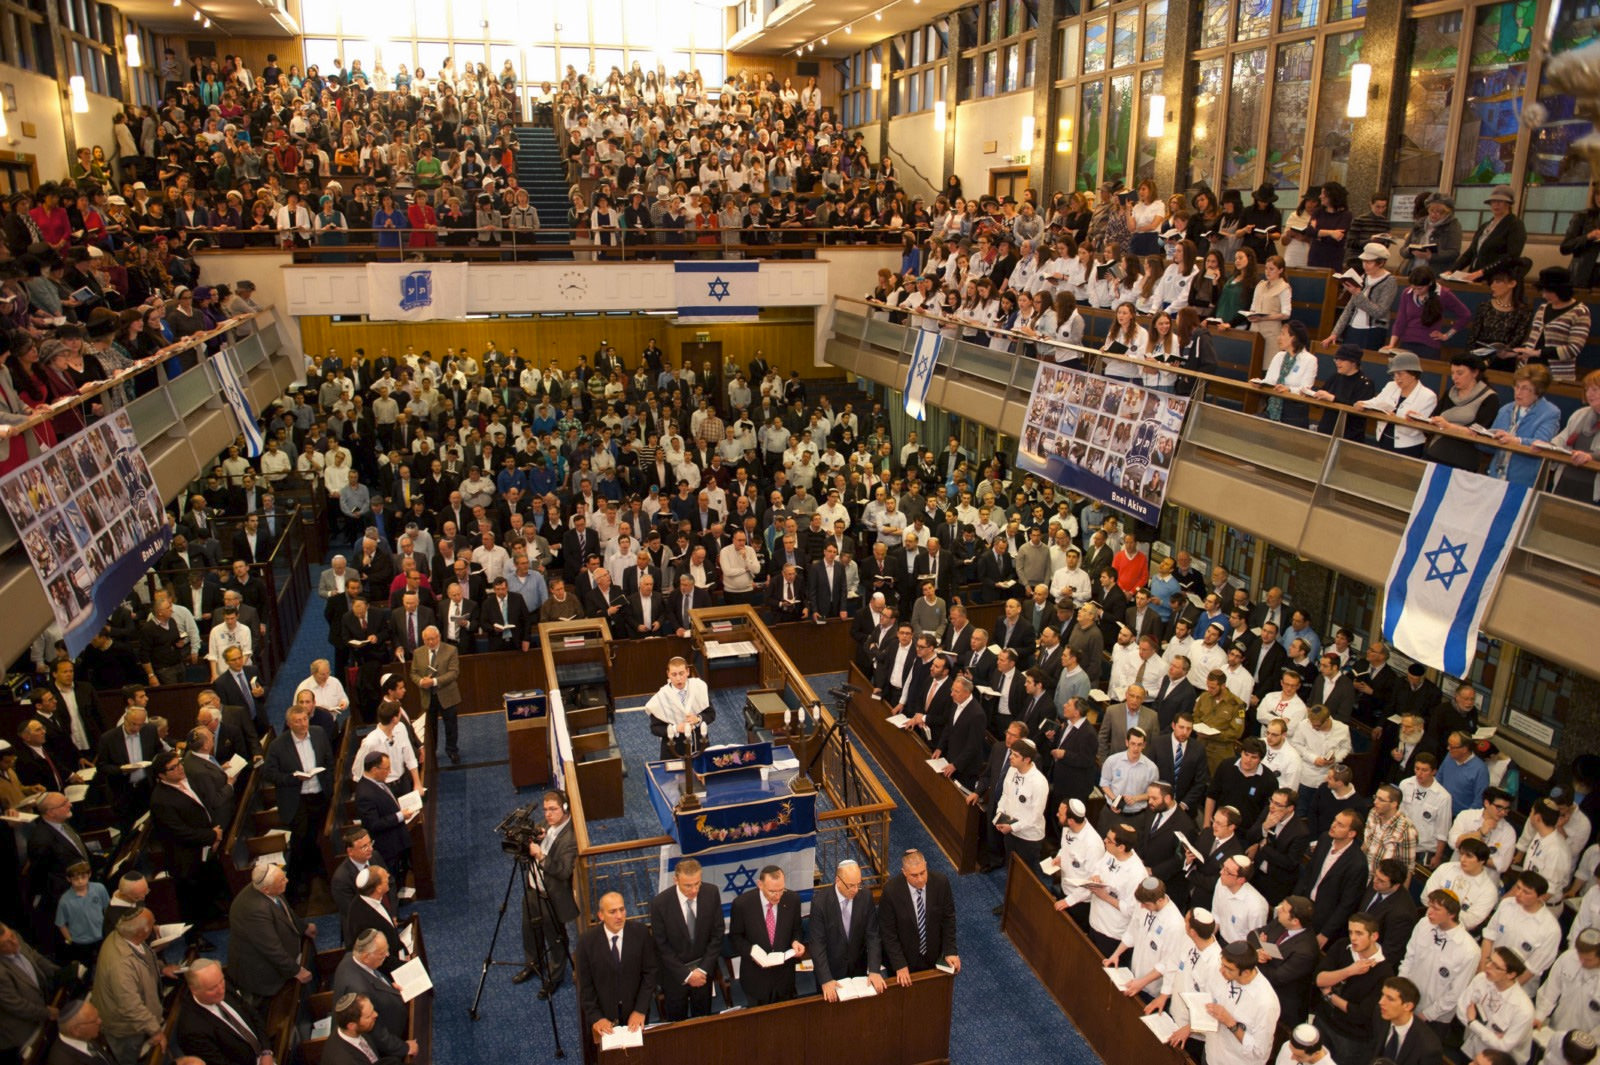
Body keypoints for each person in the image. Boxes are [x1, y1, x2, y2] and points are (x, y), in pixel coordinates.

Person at [262, 701, 333, 902]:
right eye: (297, 721)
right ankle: (300, 880)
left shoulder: (318, 733)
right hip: (297, 798)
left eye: (304, 719)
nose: (302, 724)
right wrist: (293, 778)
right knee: (301, 837)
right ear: (289, 724)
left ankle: (321, 870)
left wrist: (330, 782)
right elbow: (269, 773)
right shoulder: (278, 745)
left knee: (320, 832)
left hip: (319, 793)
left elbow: (328, 759)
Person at [226, 863, 312, 1008]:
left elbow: (285, 911)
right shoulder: (255, 910)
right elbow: (271, 949)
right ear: (266, 889)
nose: (287, 880)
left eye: (283, 876)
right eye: (282, 880)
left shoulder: (271, 888)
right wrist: (296, 970)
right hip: (261, 973)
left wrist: (304, 927)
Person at [647, 857, 723, 1020]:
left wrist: (702, 970)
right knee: (677, 1022)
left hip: (703, 971)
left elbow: (717, 935)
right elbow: (661, 946)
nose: (694, 890)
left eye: (697, 883)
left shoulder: (711, 893)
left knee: (703, 1019)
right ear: (676, 880)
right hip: (675, 976)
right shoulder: (660, 904)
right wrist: (687, 975)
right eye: (688, 885)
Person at [516, 790, 577, 990]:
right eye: (545, 810)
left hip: (552, 897)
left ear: (565, 809)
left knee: (555, 939)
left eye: (553, 809)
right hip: (533, 888)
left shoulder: (570, 838)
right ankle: (532, 964)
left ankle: (555, 977)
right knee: (529, 930)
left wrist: (541, 856)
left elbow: (563, 871)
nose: (548, 814)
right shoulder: (546, 825)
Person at [576, 891, 656, 1043]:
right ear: (601, 915)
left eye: (622, 909)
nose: (619, 916)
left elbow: (650, 973)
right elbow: (586, 986)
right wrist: (597, 1017)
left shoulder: (641, 933)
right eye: (612, 912)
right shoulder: (587, 943)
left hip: (635, 1012)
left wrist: (640, 1010)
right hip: (604, 1016)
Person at [89, 909, 167, 1065]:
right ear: (142, 933)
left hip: (134, 1019)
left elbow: (143, 959)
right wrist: (156, 1030)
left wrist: (161, 968)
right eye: (153, 924)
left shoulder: (124, 936)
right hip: (126, 1030)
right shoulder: (120, 965)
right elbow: (130, 1007)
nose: (155, 926)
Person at [807, 859, 886, 1001]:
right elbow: (817, 944)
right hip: (831, 973)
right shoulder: (820, 903)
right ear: (838, 880)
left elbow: (872, 936)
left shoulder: (865, 897)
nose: (855, 890)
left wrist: (874, 970)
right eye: (850, 886)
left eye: (858, 884)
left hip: (858, 971)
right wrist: (825, 979)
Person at [171, 958, 275, 1065]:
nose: (221, 989)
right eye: (212, 988)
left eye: (221, 981)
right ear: (194, 990)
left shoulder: (221, 984)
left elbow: (252, 1014)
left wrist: (266, 1051)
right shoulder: (191, 1031)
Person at [879, 849, 959, 983]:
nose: (920, 879)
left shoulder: (941, 883)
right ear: (904, 872)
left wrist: (950, 950)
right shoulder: (891, 891)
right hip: (904, 959)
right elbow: (888, 932)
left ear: (926, 865)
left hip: (933, 956)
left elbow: (948, 919)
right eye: (914, 875)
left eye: (923, 873)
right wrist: (899, 964)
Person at [729, 865, 806, 1005]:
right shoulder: (742, 904)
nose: (777, 896)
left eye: (781, 890)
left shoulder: (792, 899)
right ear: (760, 885)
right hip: (756, 979)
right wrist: (752, 952)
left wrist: (796, 941)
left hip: (784, 978)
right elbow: (735, 938)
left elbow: (797, 929)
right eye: (772, 891)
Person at [0, 921, 58, 1064]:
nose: (14, 942)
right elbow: (17, 1005)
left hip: (43, 1009)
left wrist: (60, 973)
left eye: (12, 936)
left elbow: (34, 957)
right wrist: (46, 1012)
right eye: (5, 944)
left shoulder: (14, 936)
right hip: (23, 1033)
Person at [645, 656, 714, 758]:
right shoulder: (660, 698)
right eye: (674, 674)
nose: (678, 678)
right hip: (673, 751)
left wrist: (698, 718)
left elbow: (711, 714)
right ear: (668, 674)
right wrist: (675, 728)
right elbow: (655, 728)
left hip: (700, 746)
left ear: (687, 672)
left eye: (681, 673)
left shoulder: (699, 688)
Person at [1452, 186, 1526, 281]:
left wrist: (1483, 271)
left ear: (1509, 204)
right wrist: (1452, 270)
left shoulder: (1515, 224)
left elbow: (1511, 256)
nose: (1496, 205)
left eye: (1500, 202)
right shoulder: (1485, 225)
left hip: (1498, 278)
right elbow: (1471, 252)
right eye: (1493, 202)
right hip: (1475, 275)